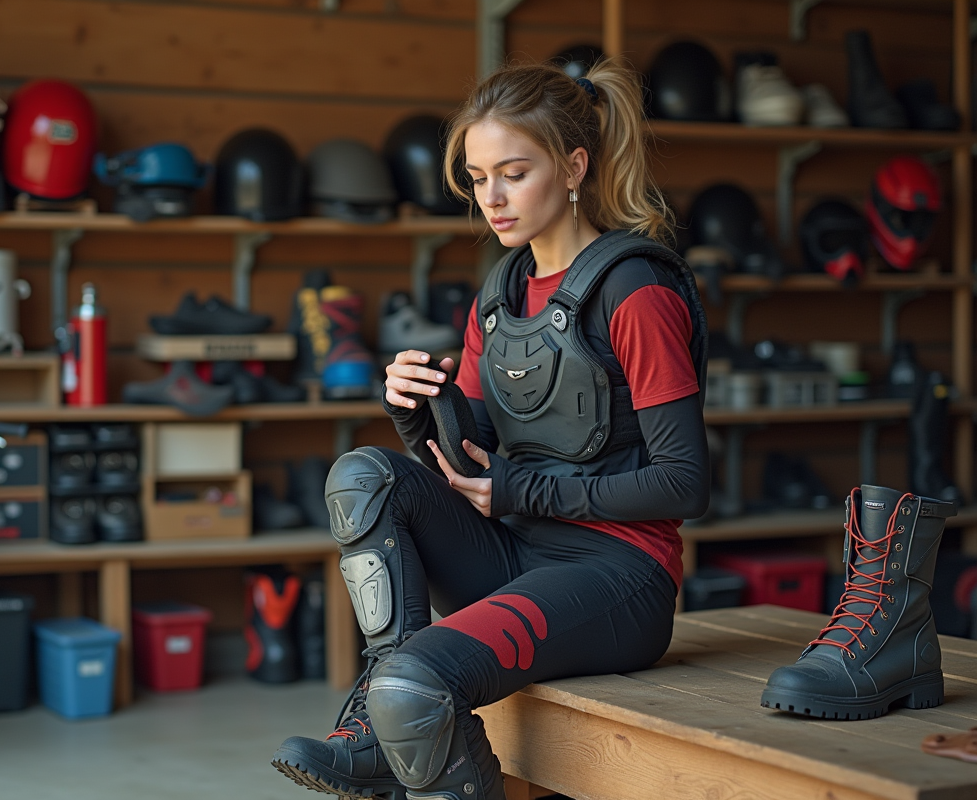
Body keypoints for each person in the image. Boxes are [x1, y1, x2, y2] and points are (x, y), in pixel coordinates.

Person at [273, 57, 710, 800]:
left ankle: (391, 711)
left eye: (513, 173)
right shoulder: (500, 293)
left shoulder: (635, 292)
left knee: (418, 687)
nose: (493, 199)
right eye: (478, 179)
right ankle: (376, 730)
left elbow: (683, 482)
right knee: (363, 475)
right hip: (515, 552)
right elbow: (469, 460)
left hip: (619, 578)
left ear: (574, 166)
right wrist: (415, 412)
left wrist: (519, 486)